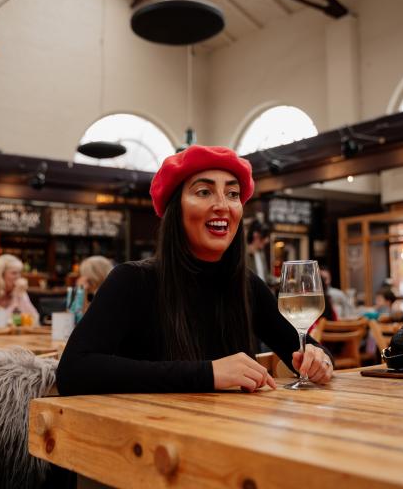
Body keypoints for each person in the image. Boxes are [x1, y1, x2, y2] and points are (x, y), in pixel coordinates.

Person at [57, 145, 333, 396]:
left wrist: (317, 359)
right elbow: (74, 372)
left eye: (233, 194)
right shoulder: (132, 280)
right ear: (175, 210)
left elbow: (303, 349)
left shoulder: (246, 285)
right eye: (204, 192)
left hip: (229, 437)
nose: (222, 205)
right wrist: (208, 373)